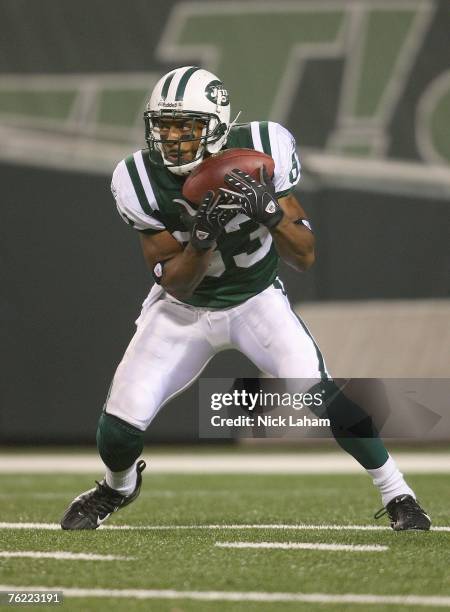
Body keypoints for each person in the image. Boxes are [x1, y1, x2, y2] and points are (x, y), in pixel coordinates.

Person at [60, 66, 430, 532]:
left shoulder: (264, 148)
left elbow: (305, 256)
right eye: (164, 125)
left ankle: (398, 492)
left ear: (215, 126)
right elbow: (176, 283)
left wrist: (270, 211)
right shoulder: (136, 178)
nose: (172, 138)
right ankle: (117, 486)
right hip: (183, 311)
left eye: (187, 126)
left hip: (256, 299)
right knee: (118, 426)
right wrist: (200, 240)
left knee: (320, 393)